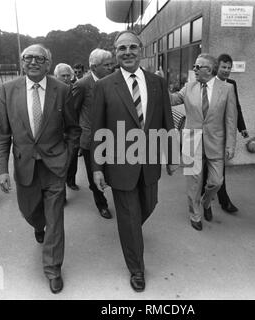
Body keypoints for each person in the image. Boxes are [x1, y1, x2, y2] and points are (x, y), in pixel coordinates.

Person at [90, 30, 177, 292]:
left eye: (132, 47)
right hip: (119, 162)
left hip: (150, 160)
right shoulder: (104, 85)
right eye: (121, 49)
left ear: (141, 50)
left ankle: (130, 233)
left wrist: (171, 155)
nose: (127, 52)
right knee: (128, 217)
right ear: (115, 54)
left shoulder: (157, 82)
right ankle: (136, 268)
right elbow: (97, 129)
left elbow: (166, 120)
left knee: (149, 205)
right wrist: (97, 168)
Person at [0, 44, 78, 293]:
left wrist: (67, 155)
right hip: (25, 165)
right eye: (27, 57)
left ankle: (53, 268)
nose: (33, 61)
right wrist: (2, 170)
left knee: (55, 218)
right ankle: (37, 226)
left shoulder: (62, 90)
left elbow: (73, 128)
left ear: (48, 63)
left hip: (54, 166)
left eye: (39, 58)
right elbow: (1, 134)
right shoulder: (7, 91)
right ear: (21, 62)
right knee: (30, 211)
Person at [170, 53, 237, 231]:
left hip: (216, 142)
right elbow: (172, 99)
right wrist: (158, 85)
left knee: (216, 181)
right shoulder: (189, 87)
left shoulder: (227, 89)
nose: (194, 69)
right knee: (193, 183)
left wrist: (231, 144)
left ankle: (207, 203)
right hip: (192, 141)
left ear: (210, 70)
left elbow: (231, 119)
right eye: (195, 66)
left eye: (198, 67)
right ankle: (195, 214)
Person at [201, 53, 249, 220]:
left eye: (229, 68)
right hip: (203, 135)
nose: (227, 71)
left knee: (218, 175)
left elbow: (235, 108)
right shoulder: (204, 84)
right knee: (202, 171)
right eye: (224, 67)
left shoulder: (230, 85)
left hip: (220, 136)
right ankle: (204, 200)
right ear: (216, 68)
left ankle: (222, 200)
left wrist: (241, 127)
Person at [72, 48, 115, 219]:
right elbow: (72, 112)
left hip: (113, 137)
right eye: (107, 65)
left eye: (112, 63)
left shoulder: (114, 81)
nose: (112, 67)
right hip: (90, 140)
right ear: (94, 66)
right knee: (94, 175)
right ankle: (101, 204)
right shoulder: (82, 85)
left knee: (113, 171)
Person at [54, 63, 81, 191]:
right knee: (58, 164)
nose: (65, 78)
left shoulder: (75, 89)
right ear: (56, 76)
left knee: (72, 159)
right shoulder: (51, 90)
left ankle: (71, 181)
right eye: (62, 75)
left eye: (68, 75)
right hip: (56, 133)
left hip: (72, 130)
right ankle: (61, 192)